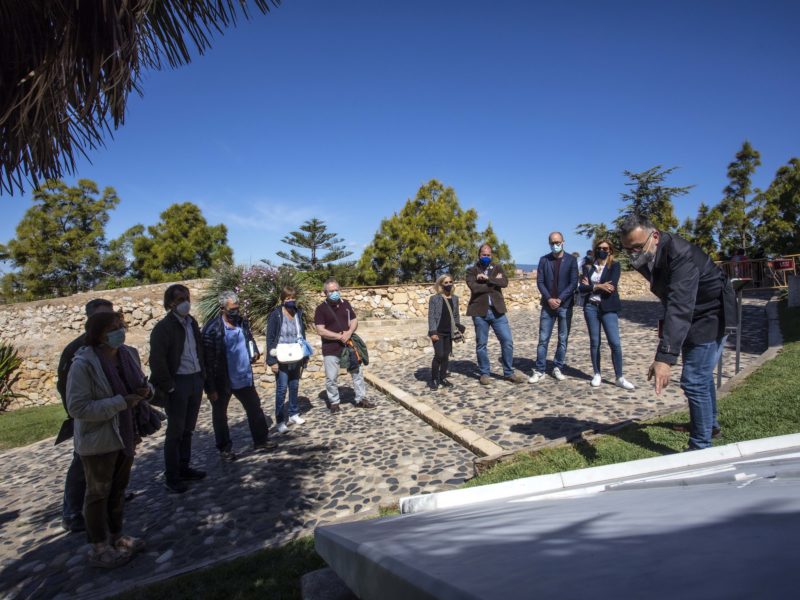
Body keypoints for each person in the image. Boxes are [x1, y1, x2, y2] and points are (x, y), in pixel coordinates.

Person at [619, 214, 736, 450]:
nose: (632, 253)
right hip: (693, 315)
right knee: (701, 377)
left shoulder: (680, 256)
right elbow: (672, 300)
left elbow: (679, 306)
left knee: (694, 380)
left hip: (711, 315)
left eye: (636, 247)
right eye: (627, 249)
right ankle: (709, 426)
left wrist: (665, 357)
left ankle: (700, 446)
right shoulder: (651, 253)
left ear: (654, 235)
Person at [66, 311, 150, 568]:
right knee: (98, 494)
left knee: (118, 490)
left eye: (121, 325)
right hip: (99, 439)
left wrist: (146, 392)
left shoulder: (127, 356)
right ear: (99, 334)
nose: (120, 331)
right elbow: (77, 408)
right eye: (114, 328)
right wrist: (119, 403)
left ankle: (117, 536)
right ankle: (99, 546)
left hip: (125, 433)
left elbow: (139, 383)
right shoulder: (84, 364)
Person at [56, 298, 115, 533]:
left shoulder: (111, 345)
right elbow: (66, 387)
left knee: (113, 458)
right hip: (90, 416)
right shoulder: (76, 351)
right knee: (82, 463)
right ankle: (71, 511)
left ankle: (109, 497)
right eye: (103, 316)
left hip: (114, 411)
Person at [202, 291, 276, 460]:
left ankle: (261, 440)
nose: (235, 311)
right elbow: (207, 360)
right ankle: (225, 449)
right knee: (220, 415)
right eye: (232, 308)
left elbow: (249, 339)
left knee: (255, 409)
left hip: (244, 377)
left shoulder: (242, 322)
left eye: (237, 307)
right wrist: (210, 388)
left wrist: (254, 351)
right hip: (222, 380)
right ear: (222, 308)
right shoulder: (212, 329)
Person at [149, 284, 207, 493]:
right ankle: (172, 475)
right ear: (170, 303)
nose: (185, 302)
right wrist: (169, 387)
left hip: (194, 380)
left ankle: (184, 467)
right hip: (178, 383)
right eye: (180, 298)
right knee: (175, 432)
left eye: (187, 297)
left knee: (188, 429)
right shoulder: (163, 328)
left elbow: (198, 349)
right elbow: (157, 360)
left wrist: (202, 376)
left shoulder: (192, 323)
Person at [465, 244, 527, 385]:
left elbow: (504, 282)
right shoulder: (471, 271)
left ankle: (508, 372)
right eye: (483, 255)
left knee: (507, 341)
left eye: (488, 255)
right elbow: (475, 288)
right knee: (481, 344)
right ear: (479, 255)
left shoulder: (498, 268)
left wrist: (487, 279)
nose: (486, 257)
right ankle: (484, 373)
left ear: (491, 255)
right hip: (480, 312)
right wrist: (494, 282)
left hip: (497, 312)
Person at [577, 240, 635, 389]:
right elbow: (581, 289)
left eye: (605, 248)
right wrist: (597, 286)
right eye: (599, 248)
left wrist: (591, 286)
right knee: (595, 342)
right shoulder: (588, 266)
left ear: (610, 251)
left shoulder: (614, 266)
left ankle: (619, 377)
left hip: (608, 308)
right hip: (590, 307)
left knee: (614, 342)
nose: (602, 250)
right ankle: (597, 374)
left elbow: (611, 287)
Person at [314, 278, 377, 413]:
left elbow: (354, 320)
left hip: (349, 346)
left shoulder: (346, 304)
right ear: (325, 292)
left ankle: (361, 399)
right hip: (331, 348)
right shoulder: (320, 309)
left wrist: (349, 332)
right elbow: (320, 330)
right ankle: (334, 403)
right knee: (331, 378)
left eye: (336, 290)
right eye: (331, 291)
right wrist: (339, 336)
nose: (335, 293)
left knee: (357, 373)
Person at [530, 232, 579, 383]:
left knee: (563, 338)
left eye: (557, 242)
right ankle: (540, 369)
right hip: (547, 305)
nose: (555, 245)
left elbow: (573, 283)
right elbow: (540, 282)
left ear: (563, 242)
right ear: (549, 243)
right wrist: (549, 298)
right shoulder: (544, 260)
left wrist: (560, 299)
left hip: (565, 305)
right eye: (552, 242)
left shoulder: (571, 260)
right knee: (543, 339)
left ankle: (558, 366)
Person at [266, 286, 310, 433]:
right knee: (281, 388)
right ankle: (280, 420)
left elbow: (302, 334)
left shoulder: (298, 313)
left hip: (296, 355)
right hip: (282, 356)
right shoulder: (276, 315)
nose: (291, 301)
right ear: (282, 300)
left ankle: (293, 413)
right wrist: (272, 361)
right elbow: (270, 338)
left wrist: (305, 355)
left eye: (292, 298)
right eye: (287, 298)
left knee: (294, 385)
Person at [427, 274, 463, 390]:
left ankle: (442, 377)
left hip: (449, 332)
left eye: (450, 282)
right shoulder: (434, 299)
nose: (448, 284)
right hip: (438, 331)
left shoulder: (455, 298)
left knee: (446, 356)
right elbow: (431, 316)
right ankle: (433, 379)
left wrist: (458, 328)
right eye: (445, 282)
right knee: (439, 355)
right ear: (441, 284)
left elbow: (456, 315)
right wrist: (433, 332)